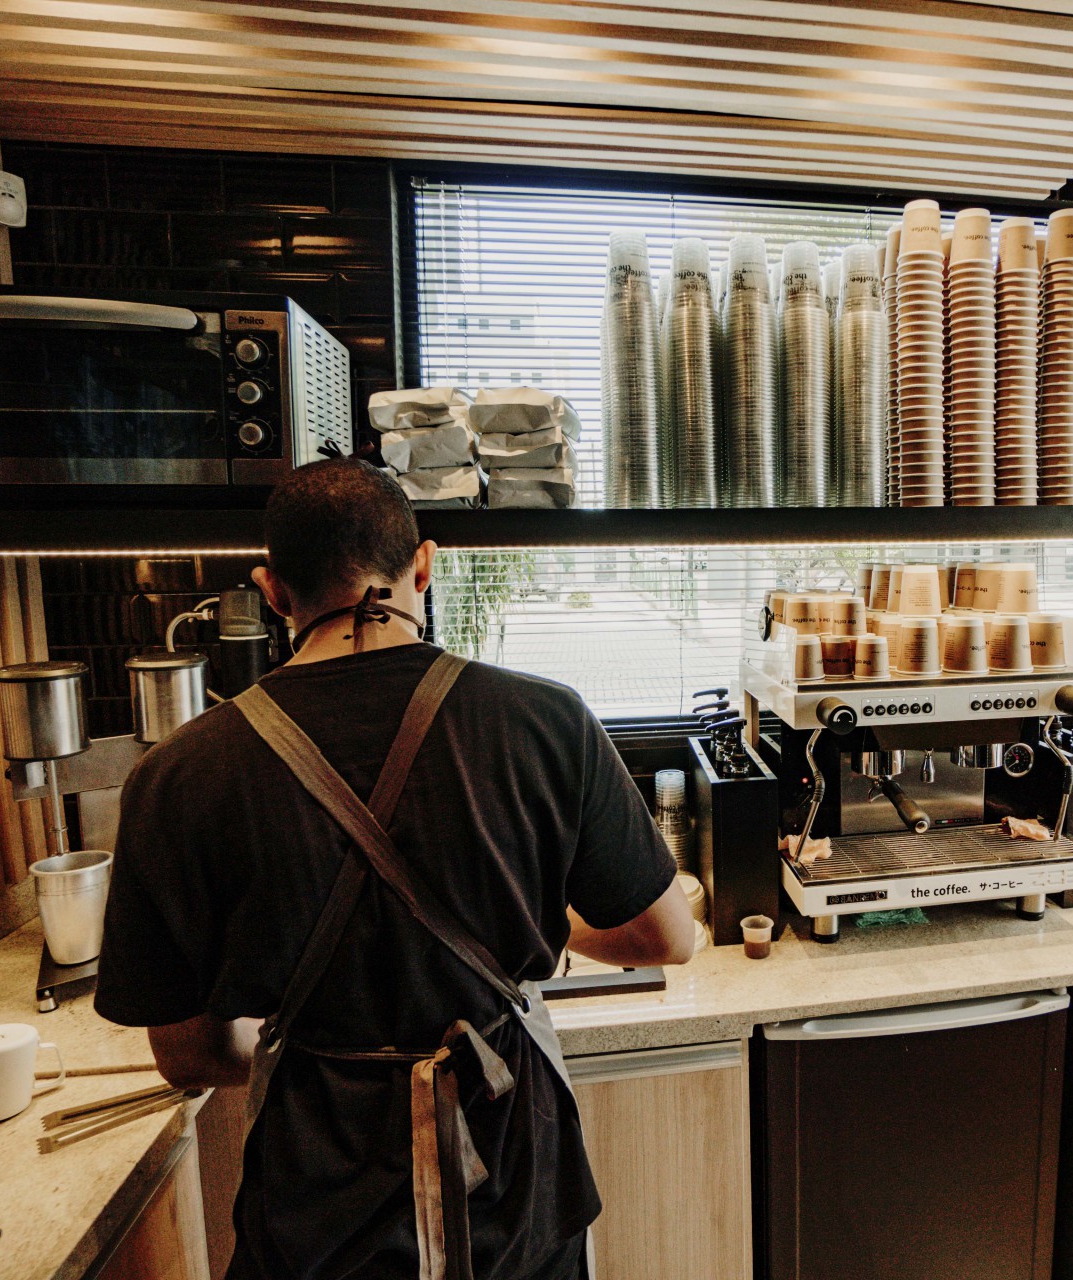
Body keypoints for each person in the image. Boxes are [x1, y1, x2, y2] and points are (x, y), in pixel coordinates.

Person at [95, 459, 696, 1280]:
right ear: (424, 566)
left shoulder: (175, 776)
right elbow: (665, 936)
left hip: (316, 1219)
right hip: (514, 1198)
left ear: (272, 592)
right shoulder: (545, 719)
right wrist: (535, 929)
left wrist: (318, 1053)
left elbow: (190, 1054)